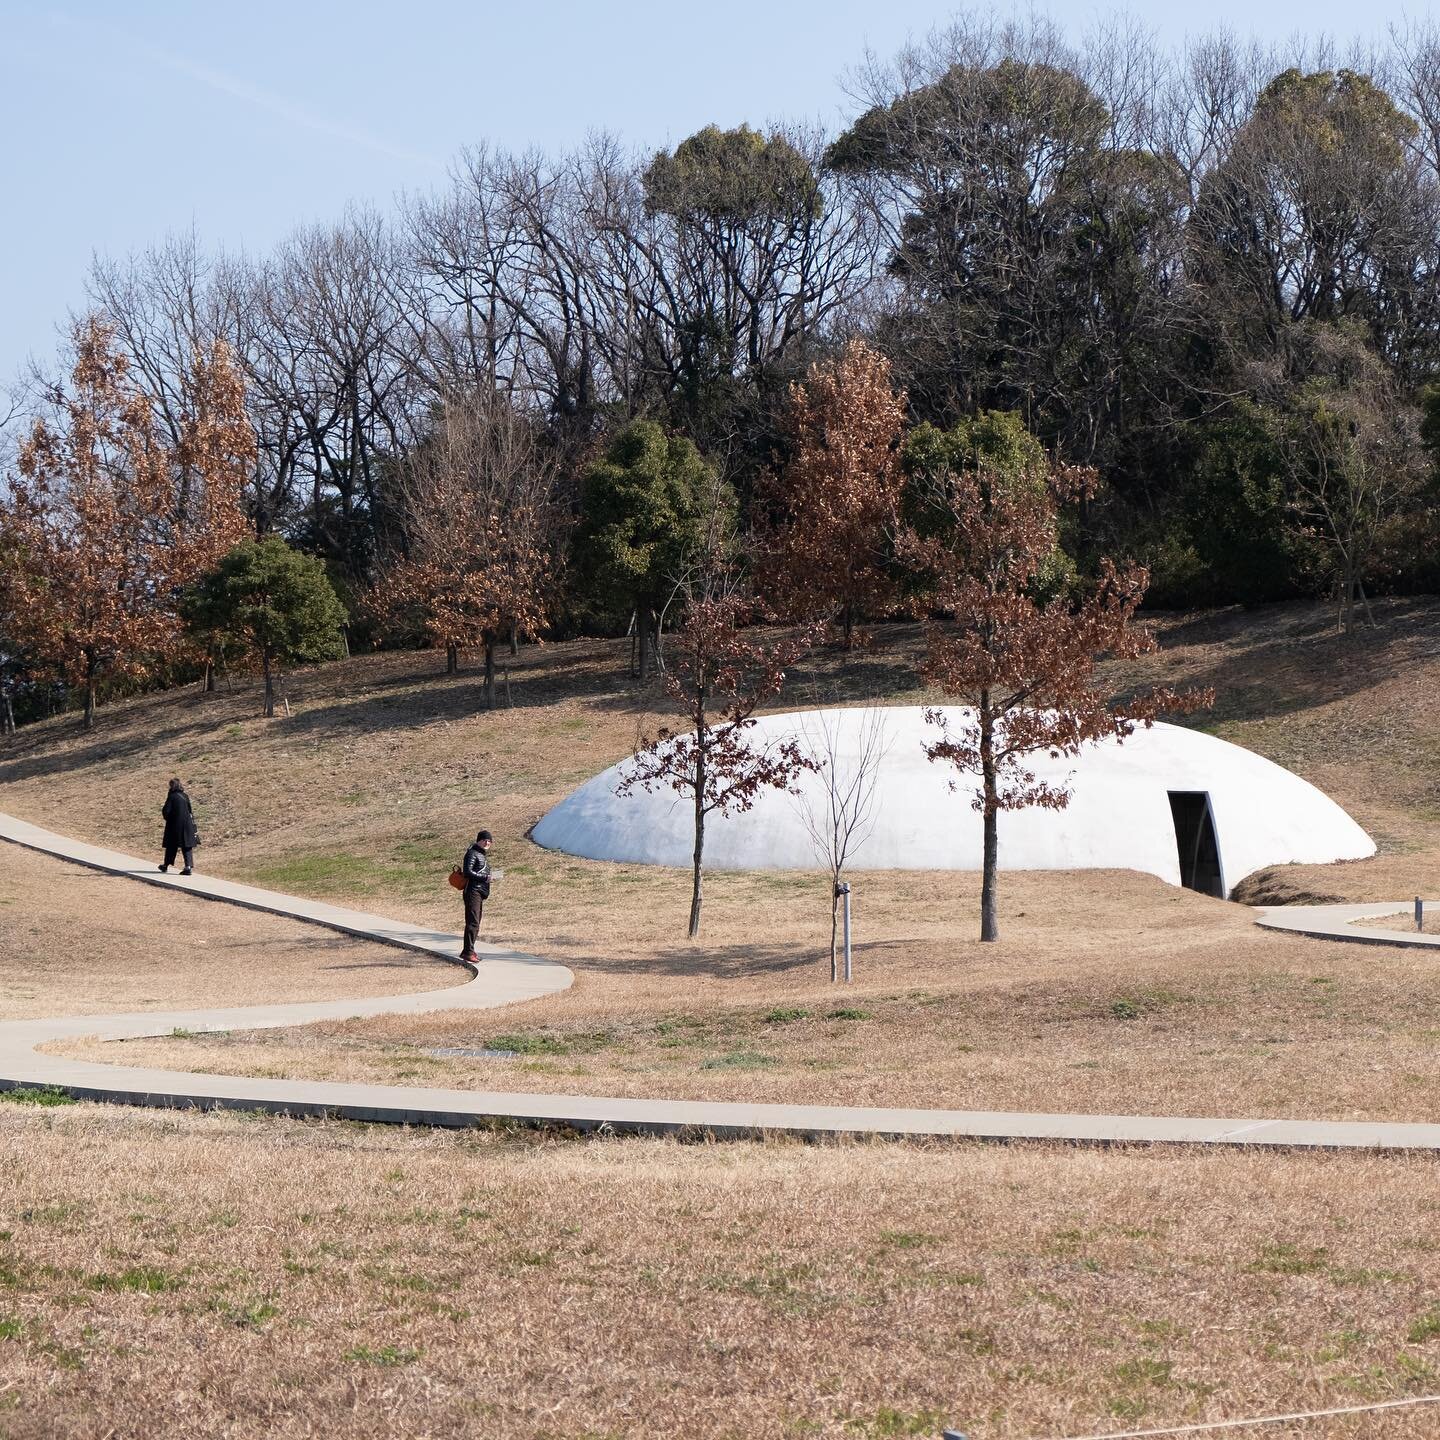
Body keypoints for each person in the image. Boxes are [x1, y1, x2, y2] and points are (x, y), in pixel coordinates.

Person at [459, 829, 492, 963]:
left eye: (489, 841)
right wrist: (485, 877)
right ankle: (468, 952)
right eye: (484, 840)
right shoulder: (472, 853)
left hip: (479, 892)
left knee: (475, 923)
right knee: (473, 923)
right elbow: (468, 872)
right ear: (478, 840)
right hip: (473, 891)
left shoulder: (481, 855)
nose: (487, 842)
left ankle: (469, 950)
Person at [160, 778, 199, 876]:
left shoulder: (172, 796)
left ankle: (165, 865)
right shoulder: (185, 796)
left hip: (175, 825)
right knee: (187, 846)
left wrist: (168, 818)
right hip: (187, 824)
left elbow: (166, 811)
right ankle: (188, 866)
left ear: (172, 786)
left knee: (171, 845)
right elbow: (190, 810)